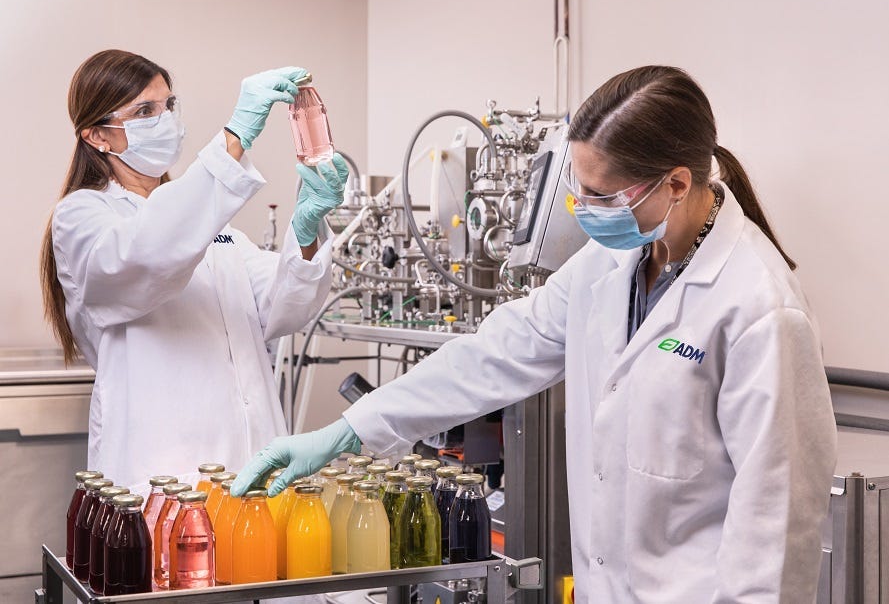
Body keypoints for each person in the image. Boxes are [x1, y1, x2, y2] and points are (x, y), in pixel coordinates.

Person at [233, 66, 837, 601]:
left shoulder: (758, 307)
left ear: (676, 184)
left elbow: (775, 531)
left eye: (600, 196)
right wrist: (346, 431)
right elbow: (494, 354)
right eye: (578, 189)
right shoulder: (610, 264)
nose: (582, 209)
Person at [41, 49, 349, 493]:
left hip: (254, 468)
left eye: (168, 105)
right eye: (144, 110)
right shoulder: (83, 217)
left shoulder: (215, 228)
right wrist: (235, 136)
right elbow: (147, 256)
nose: (164, 119)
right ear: (97, 136)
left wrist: (306, 231)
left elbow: (285, 307)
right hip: (163, 481)